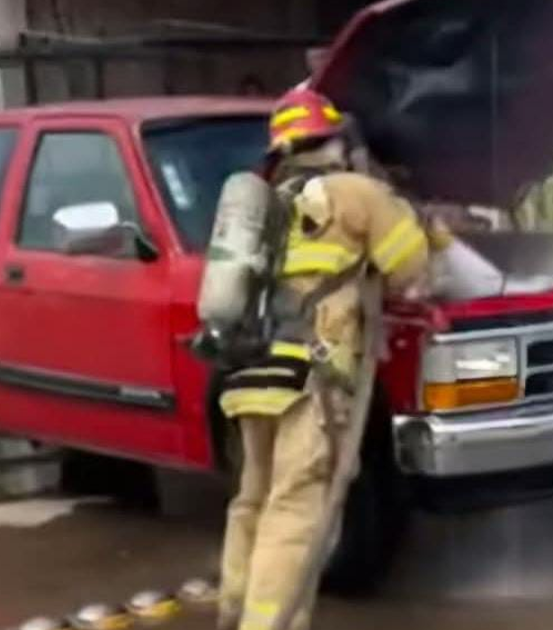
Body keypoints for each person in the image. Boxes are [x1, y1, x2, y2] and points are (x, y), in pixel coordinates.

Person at [215, 87, 433, 630]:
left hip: (249, 372)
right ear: (335, 139)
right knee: (296, 511)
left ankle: (233, 612)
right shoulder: (356, 192)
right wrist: (409, 213)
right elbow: (412, 269)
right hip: (307, 379)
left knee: (253, 500)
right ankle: (267, 625)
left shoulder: (269, 204)